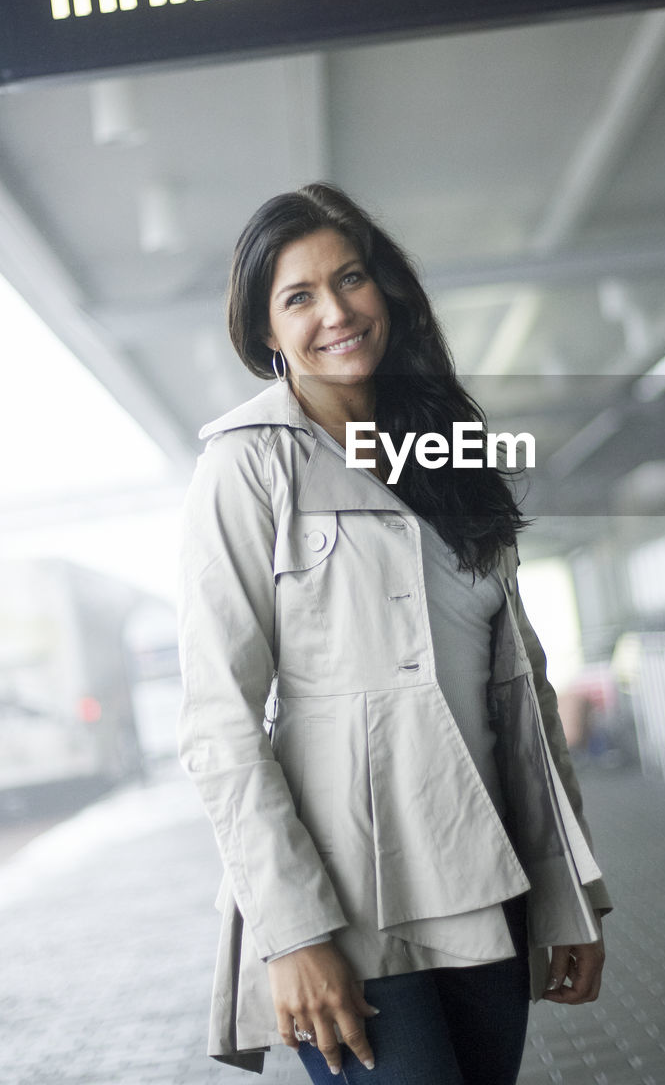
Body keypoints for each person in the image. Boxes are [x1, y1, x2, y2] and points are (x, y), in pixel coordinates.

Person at [176, 183, 611, 1083]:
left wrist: (572, 899)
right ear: (264, 332)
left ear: (389, 293)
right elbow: (218, 722)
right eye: (298, 297)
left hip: (486, 880)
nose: (335, 312)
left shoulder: (448, 449)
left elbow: (521, 692)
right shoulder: (246, 463)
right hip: (344, 904)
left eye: (352, 279)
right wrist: (293, 933)